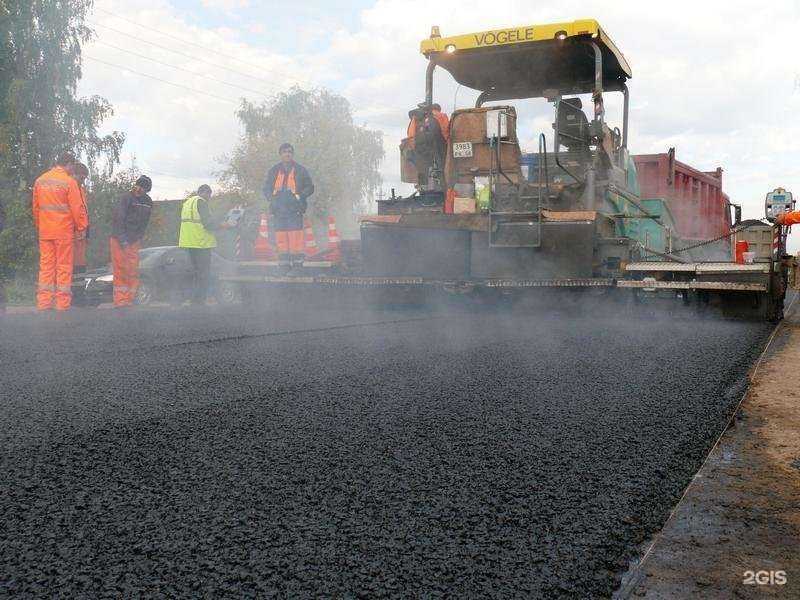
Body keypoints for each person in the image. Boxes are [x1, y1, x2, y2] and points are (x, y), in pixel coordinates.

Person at [32, 152, 88, 311]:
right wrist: (81, 227)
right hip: (63, 232)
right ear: (69, 164)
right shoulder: (69, 182)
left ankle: (44, 303)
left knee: (46, 267)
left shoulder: (40, 180)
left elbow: (36, 208)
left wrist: (40, 225)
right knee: (63, 267)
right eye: (72, 166)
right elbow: (77, 208)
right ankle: (62, 304)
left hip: (45, 231)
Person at [263, 143, 314, 268]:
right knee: (281, 240)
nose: (287, 154)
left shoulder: (300, 170)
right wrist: (272, 200)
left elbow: (310, 187)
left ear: (292, 154)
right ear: (280, 154)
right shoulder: (274, 171)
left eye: (290, 151)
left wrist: (299, 196)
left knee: (295, 239)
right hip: (279, 211)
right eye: (285, 152)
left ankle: (297, 266)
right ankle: (284, 266)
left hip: (294, 210)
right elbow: (266, 188)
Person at [178, 184, 229, 305]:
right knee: (204, 273)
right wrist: (223, 225)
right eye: (209, 194)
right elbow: (208, 223)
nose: (209, 198)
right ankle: (200, 300)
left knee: (196, 272)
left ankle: (193, 299)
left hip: (189, 242)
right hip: (201, 243)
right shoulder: (201, 202)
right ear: (204, 192)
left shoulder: (187, 203)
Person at [109, 175, 153, 307]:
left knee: (133, 270)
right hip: (119, 240)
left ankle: (130, 299)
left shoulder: (148, 202)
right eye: (139, 186)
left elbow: (145, 223)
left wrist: (139, 238)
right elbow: (118, 220)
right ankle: (121, 301)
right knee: (120, 270)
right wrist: (123, 240)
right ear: (136, 185)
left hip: (134, 240)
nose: (140, 190)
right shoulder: (126, 198)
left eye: (144, 188)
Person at [68, 162, 90, 275]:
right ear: (74, 174)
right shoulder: (69, 187)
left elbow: (83, 211)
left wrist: (87, 231)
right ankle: (72, 290)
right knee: (69, 265)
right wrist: (81, 228)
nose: (83, 180)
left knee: (80, 265)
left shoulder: (81, 190)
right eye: (81, 177)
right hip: (72, 233)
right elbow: (75, 210)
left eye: (84, 178)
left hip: (80, 234)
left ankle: (79, 290)